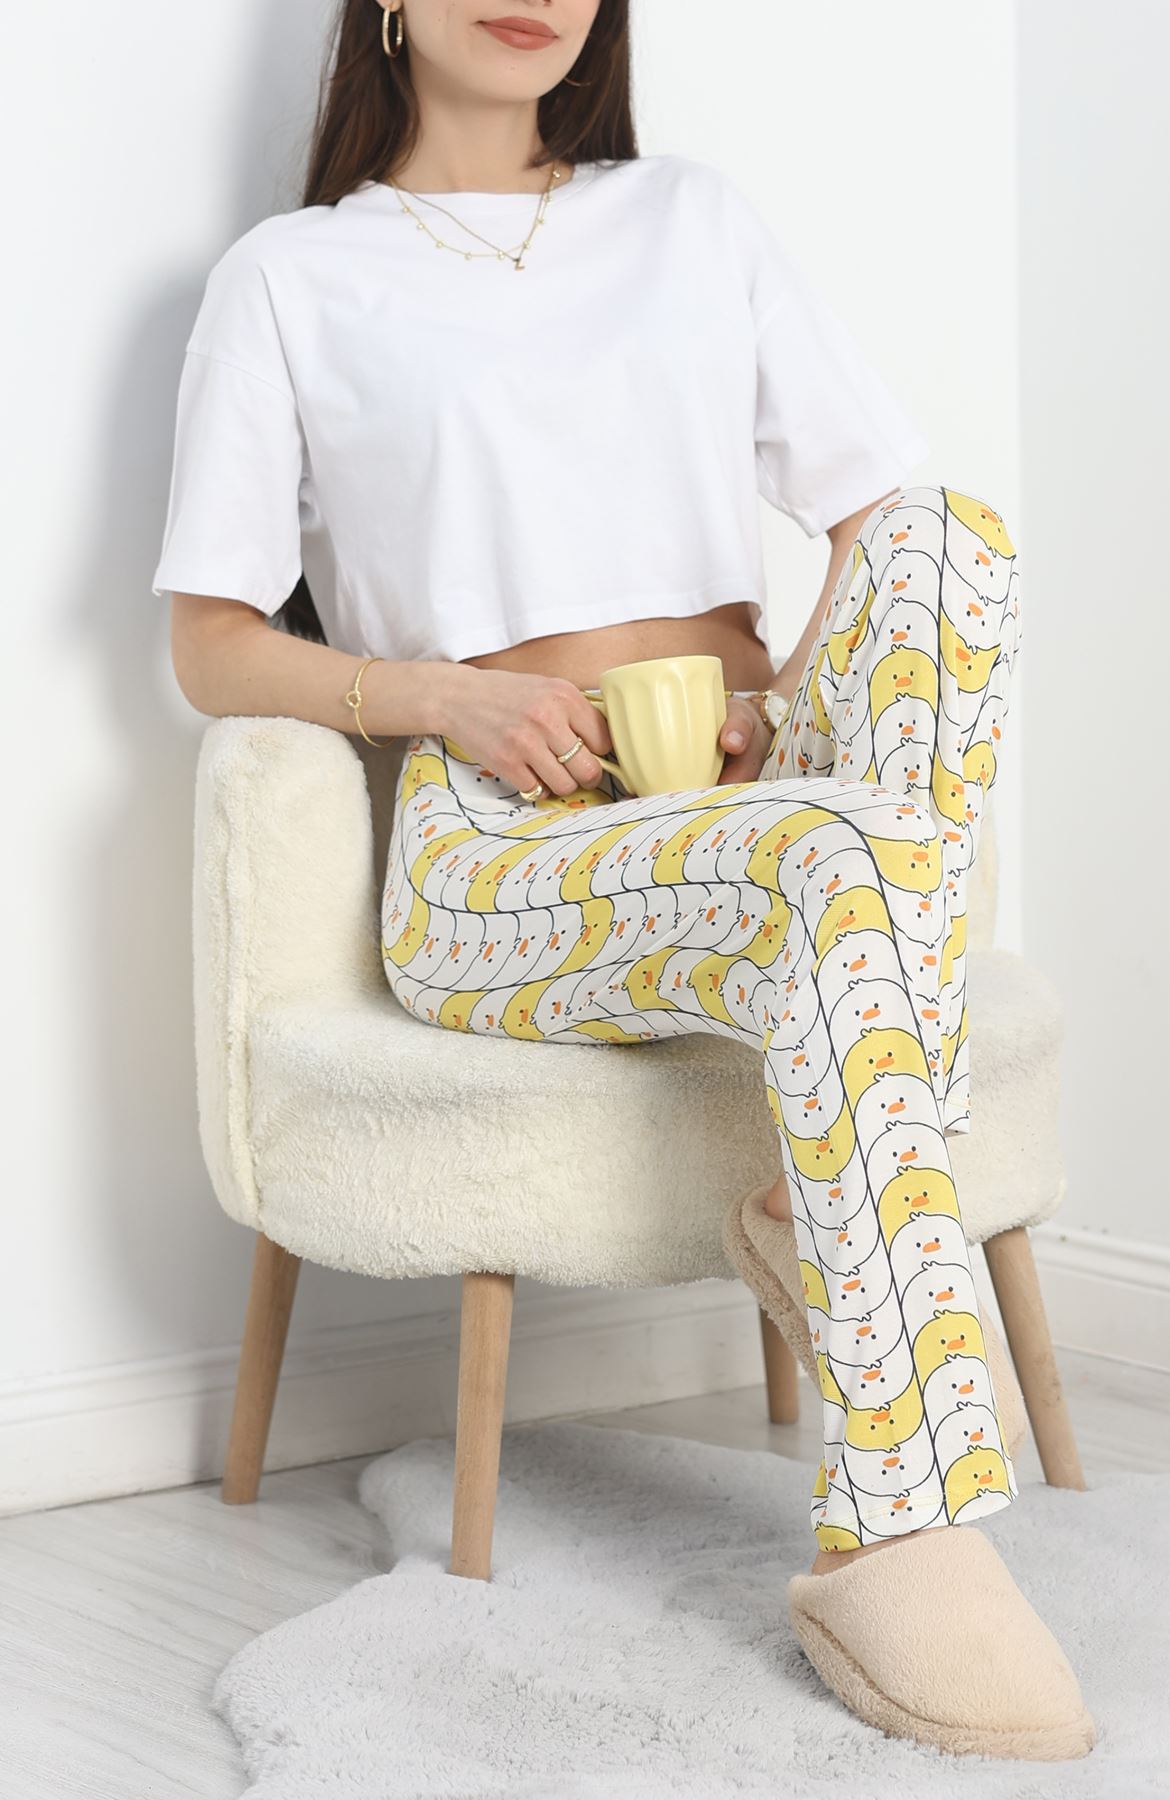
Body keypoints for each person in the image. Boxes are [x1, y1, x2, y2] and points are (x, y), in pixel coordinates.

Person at [154, 0, 1094, 1764]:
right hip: (506, 844)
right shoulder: (293, 278)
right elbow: (210, 642)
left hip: (743, 789)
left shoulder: (690, 220)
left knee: (948, 547)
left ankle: (826, 1223)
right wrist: (436, 697)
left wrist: (773, 706)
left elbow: (873, 521)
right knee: (844, 857)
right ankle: (900, 1527)